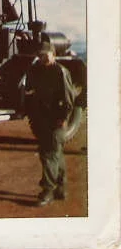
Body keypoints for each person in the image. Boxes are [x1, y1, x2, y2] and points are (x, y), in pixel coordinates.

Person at [25, 41, 75, 207]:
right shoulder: (35, 70)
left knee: (48, 154)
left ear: (53, 54)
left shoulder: (60, 71)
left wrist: (63, 117)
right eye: (39, 55)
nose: (42, 57)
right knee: (55, 153)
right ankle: (61, 187)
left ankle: (48, 190)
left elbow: (69, 98)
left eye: (45, 55)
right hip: (41, 119)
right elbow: (29, 93)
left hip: (56, 119)